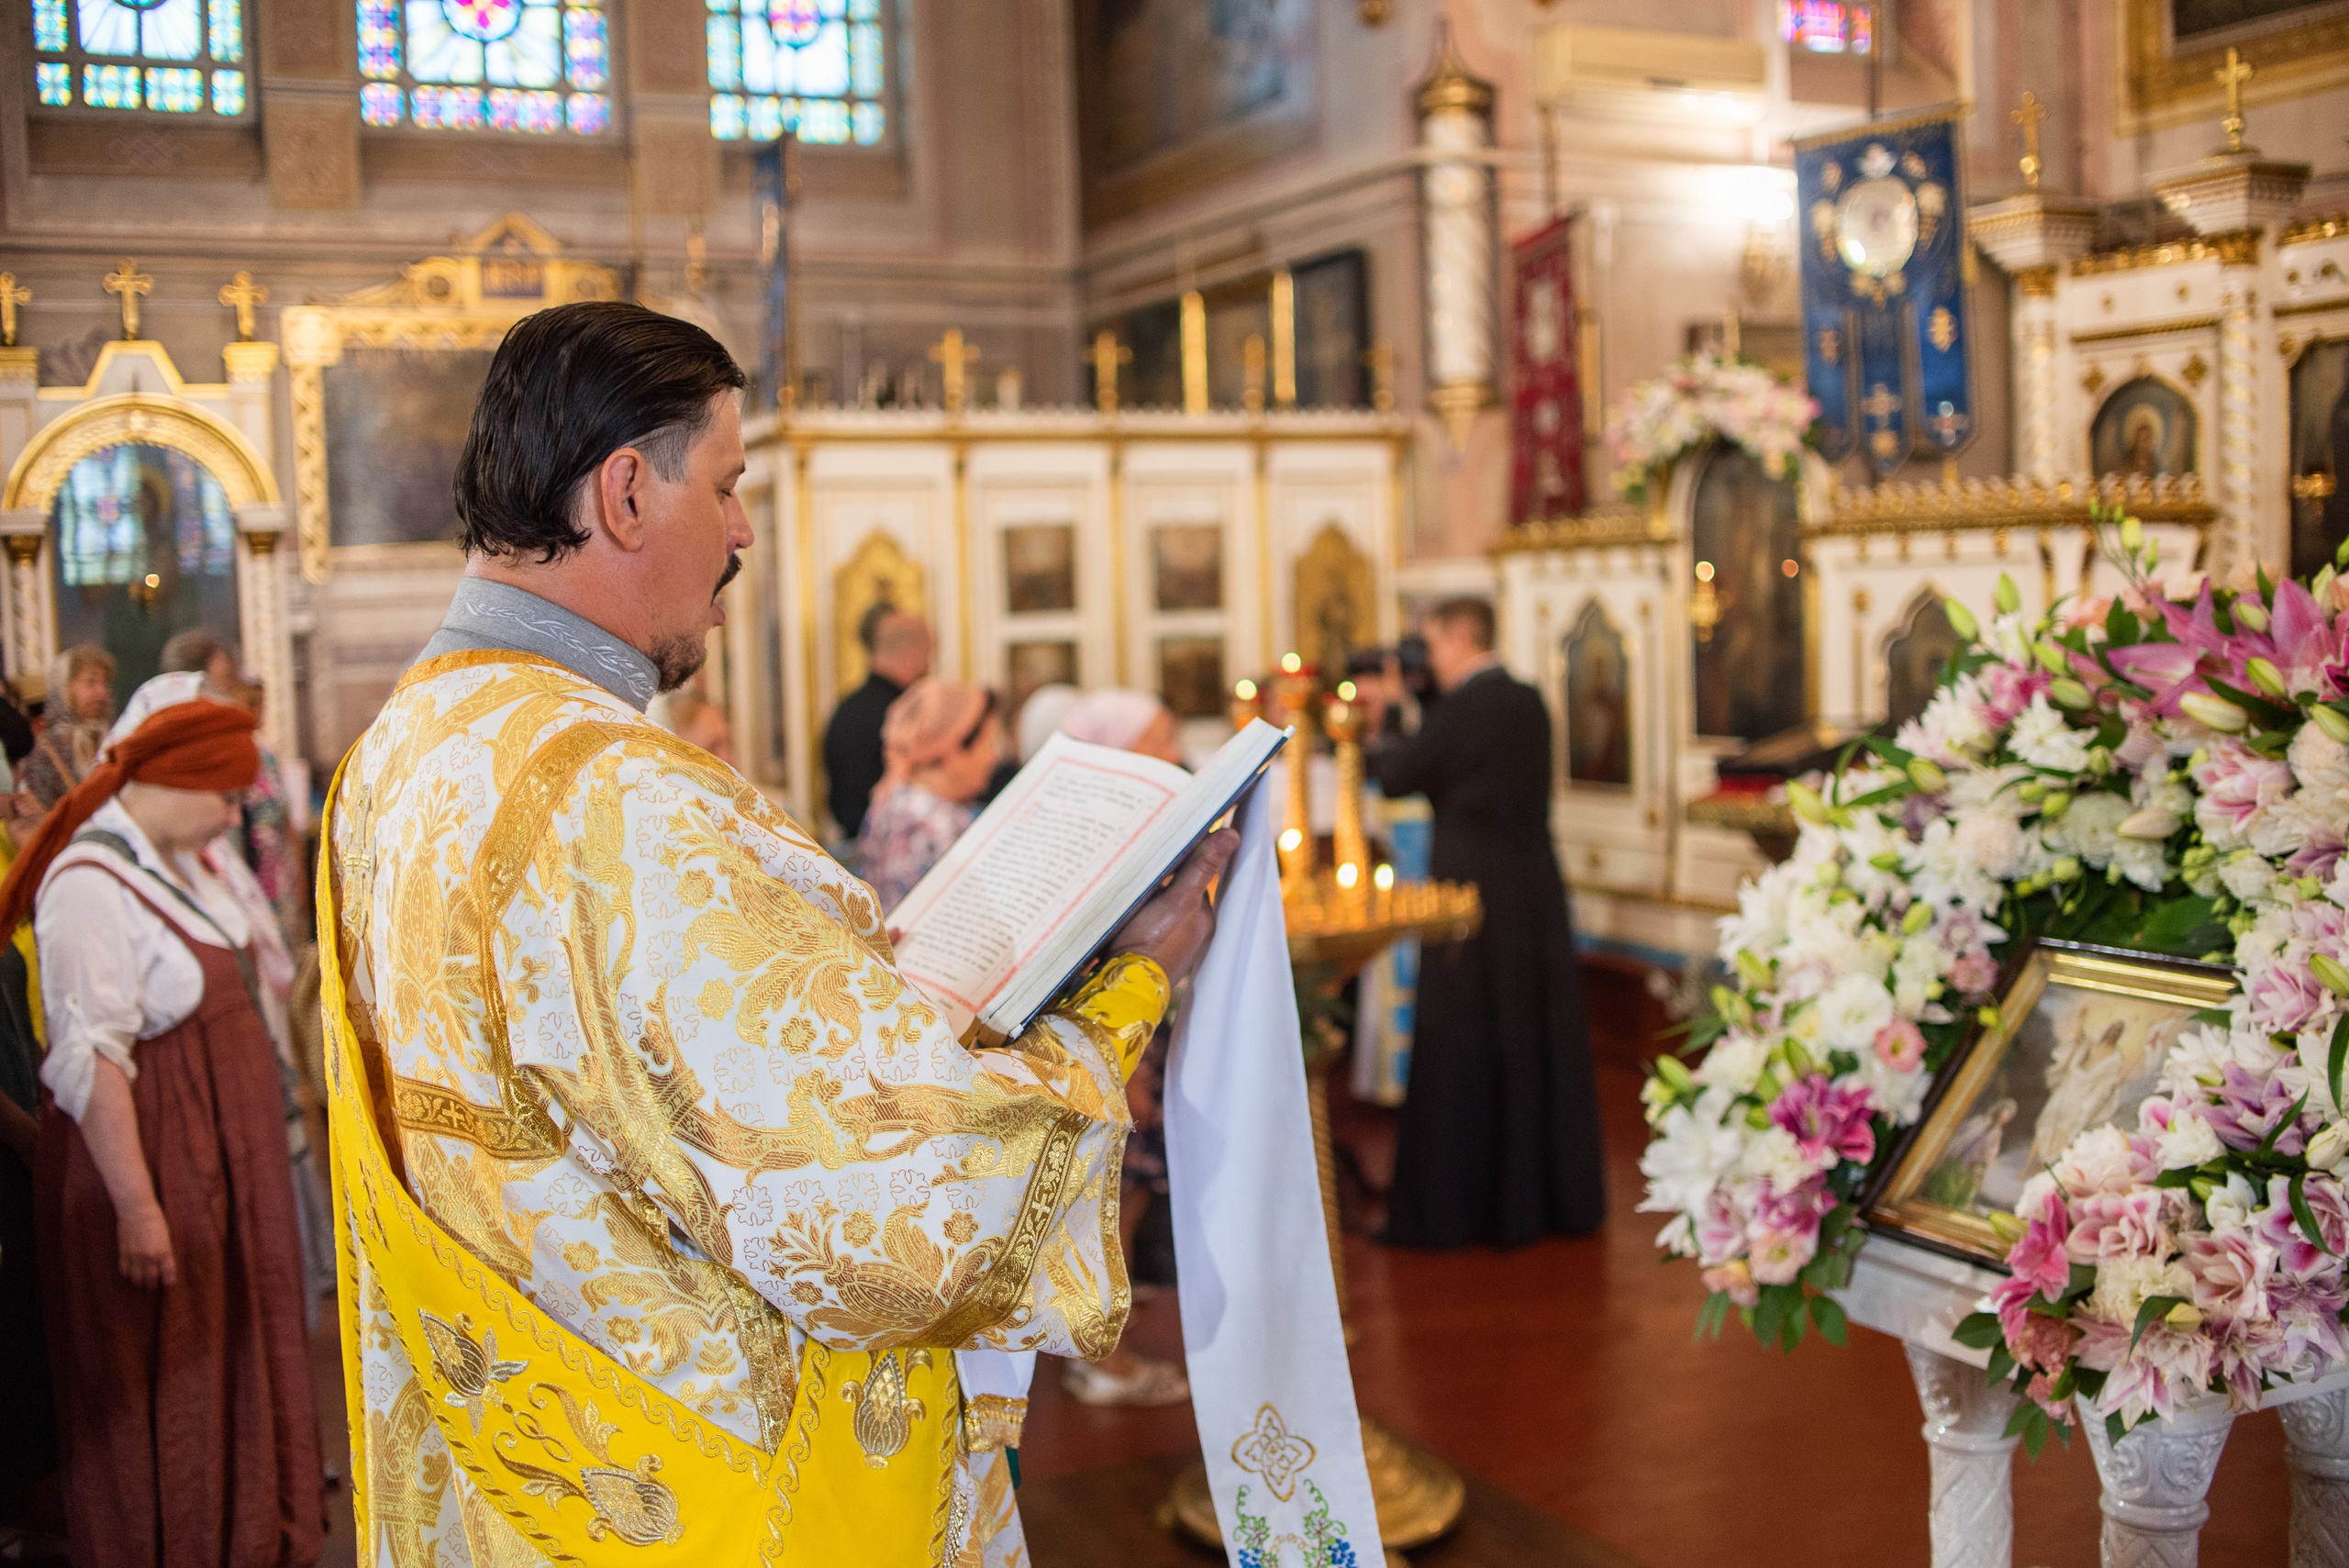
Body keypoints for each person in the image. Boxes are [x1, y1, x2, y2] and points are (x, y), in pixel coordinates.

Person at [323, 300, 1236, 1566]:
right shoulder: (621, 798)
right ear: (628, 493)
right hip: (711, 1492)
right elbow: (891, 1211)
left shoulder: (398, 754)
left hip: (528, 1474)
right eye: (733, 483)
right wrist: (1128, 986)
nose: (744, 530)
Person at [1, 696, 324, 1568]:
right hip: (157, 1173)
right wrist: (140, 1209)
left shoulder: (174, 861)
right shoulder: (86, 884)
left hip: (208, 1167)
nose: (231, 814)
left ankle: (248, 1536)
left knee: (229, 1378)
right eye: (220, 794)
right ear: (174, 780)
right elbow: (89, 1059)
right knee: (174, 1392)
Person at [1362, 597, 1606, 1250]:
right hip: (1534, 888)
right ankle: (1544, 1195)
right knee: (1532, 1032)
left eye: (1433, 645)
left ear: (1459, 636)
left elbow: (1396, 774)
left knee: (1463, 1035)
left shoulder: (1468, 707)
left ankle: (1461, 1206)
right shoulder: (1525, 700)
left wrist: (1383, 716)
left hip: (1470, 893)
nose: (1429, 660)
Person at [1049, 689, 1193, 1407]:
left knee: (1122, 1204)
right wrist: (1122, 1070)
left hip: (1131, 1040)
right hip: (1112, 1044)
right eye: (1160, 739)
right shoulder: (1090, 831)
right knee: (1110, 1213)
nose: (1173, 754)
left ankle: (1105, 1343)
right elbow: (1087, 959)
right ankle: (1103, 1357)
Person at [854, 677, 1003, 910]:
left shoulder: (887, 803)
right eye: (987, 743)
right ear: (952, 751)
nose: (993, 757)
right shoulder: (939, 825)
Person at [823, 603, 933, 840]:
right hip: (892, 843)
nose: (929, 667)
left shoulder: (845, 709)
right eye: (928, 656)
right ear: (911, 655)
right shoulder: (904, 713)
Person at [19, 645, 115, 813]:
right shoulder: (48, 751)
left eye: (104, 682)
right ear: (65, 688)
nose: (102, 692)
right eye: (91, 682)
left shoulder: (115, 739)